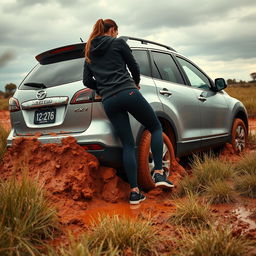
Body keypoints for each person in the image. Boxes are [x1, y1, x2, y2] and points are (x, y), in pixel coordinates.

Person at [83, 19, 174, 204]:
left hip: (109, 100)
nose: (117, 34)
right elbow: (134, 66)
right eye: (116, 31)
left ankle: (134, 192)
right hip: (128, 91)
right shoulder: (118, 42)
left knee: (127, 144)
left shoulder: (89, 51)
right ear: (112, 30)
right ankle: (158, 173)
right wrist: (136, 82)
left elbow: (86, 81)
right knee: (155, 126)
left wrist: (103, 87)